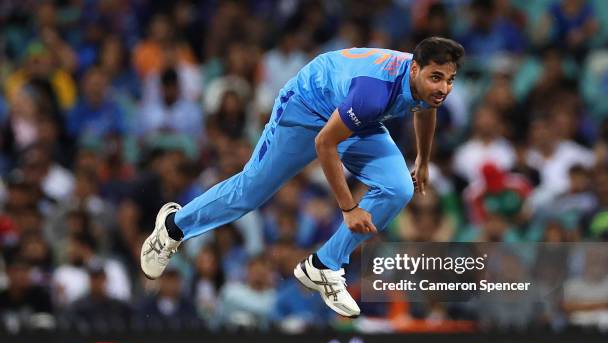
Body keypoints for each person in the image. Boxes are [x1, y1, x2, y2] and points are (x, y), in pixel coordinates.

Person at [141, 37, 464, 317]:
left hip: (349, 113)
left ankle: (324, 265)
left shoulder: (424, 80)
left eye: (449, 80)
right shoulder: (375, 92)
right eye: (437, 78)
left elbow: (426, 107)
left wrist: (422, 158)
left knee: (397, 188)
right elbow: (325, 143)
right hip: (306, 107)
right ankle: (172, 228)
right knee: (250, 192)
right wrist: (349, 208)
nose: (443, 88)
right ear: (414, 69)